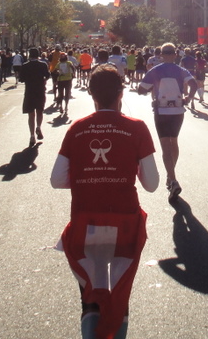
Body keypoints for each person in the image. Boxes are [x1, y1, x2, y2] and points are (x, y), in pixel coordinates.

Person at [51, 64, 159, 339]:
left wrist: (87, 176)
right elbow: (152, 184)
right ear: (121, 93)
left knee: (92, 291)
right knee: (119, 293)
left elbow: (56, 179)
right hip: (125, 222)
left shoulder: (78, 128)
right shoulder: (137, 128)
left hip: (86, 220)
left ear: (91, 94)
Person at [137, 42, 196, 201]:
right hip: (178, 110)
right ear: (175, 55)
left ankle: (172, 178)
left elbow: (140, 89)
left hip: (161, 110)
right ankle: (171, 176)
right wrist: (188, 98)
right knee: (174, 142)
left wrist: (149, 90)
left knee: (165, 146)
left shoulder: (155, 71)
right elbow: (194, 84)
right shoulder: (181, 70)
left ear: (161, 55)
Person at [18, 48, 51, 146]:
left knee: (31, 114)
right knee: (40, 111)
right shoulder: (43, 65)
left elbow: (21, 79)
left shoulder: (25, 66)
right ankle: (39, 127)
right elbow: (47, 75)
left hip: (29, 91)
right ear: (38, 55)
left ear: (29, 55)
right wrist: (43, 79)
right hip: (40, 90)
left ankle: (32, 135)